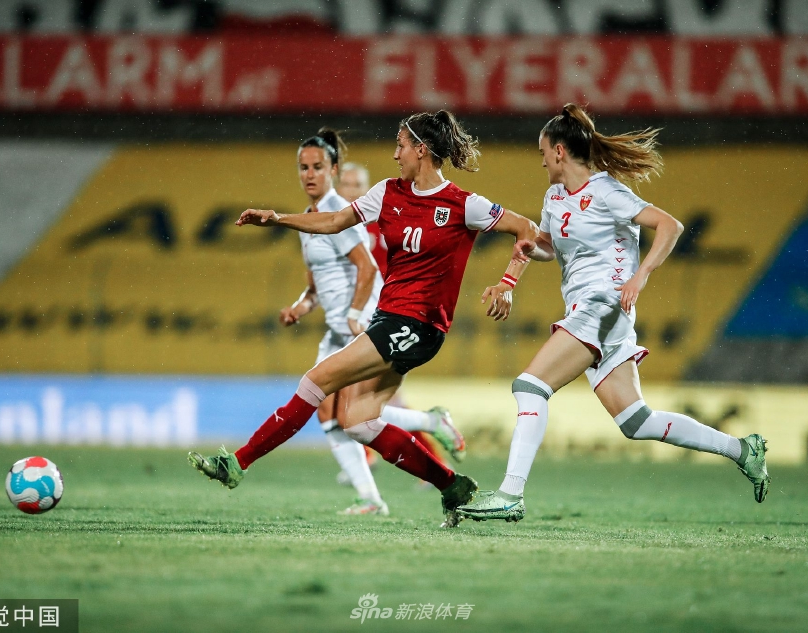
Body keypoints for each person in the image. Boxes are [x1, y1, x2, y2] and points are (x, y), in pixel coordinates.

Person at [189, 110, 538, 528]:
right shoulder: (387, 192)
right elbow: (335, 221)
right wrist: (278, 218)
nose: (395, 154)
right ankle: (452, 485)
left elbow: (526, 229)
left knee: (315, 382)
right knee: (357, 421)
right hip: (388, 320)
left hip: (419, 325)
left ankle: (238, 463)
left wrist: (507, 283)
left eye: (400, 145)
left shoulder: (463, 204)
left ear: (421, 150)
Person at [457, 104, 771, 524]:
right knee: (636, 421)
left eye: (543, 152)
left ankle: (510, 494)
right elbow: (547, 246)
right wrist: (517, 269)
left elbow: (670, 226)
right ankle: (742, 450)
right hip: (594, 313)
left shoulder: (607, 191)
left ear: (560, 152)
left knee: (530, 386)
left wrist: (640, 275)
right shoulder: (554, 197)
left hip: (604, 306)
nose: (542, 160)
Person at [337, 161, 464, 483]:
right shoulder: (346, 227)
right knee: (367, 399)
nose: (350, 191)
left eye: (357, 185)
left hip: (384, 317)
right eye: (346, 184)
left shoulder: (380, 224)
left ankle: (412, 451)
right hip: (362, 317)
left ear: (365, 190)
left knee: (358, 398)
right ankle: (425, 454)